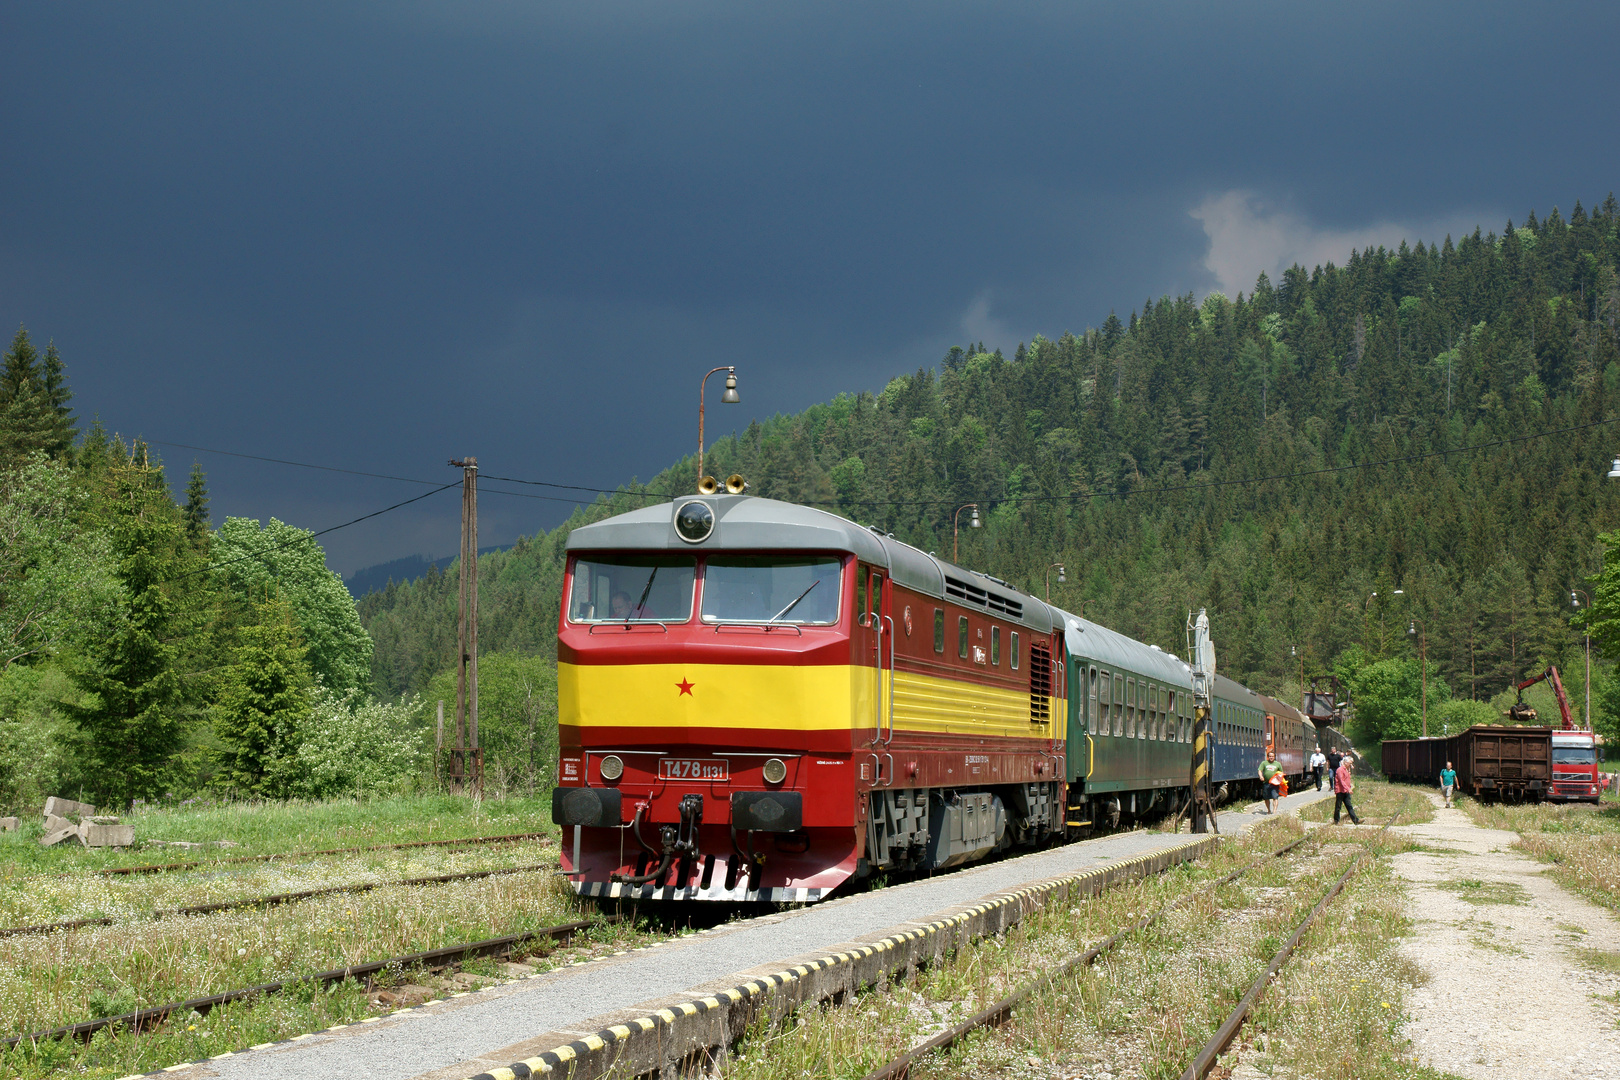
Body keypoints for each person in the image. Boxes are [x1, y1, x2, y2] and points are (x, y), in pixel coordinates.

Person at [1333, 756, 1362, 825]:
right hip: (1340, 790)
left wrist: (1348, 788)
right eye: (1350, 763)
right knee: (1338, 806)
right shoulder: (1340, 770)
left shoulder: (1347, 770)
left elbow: (1347, 780)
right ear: (1345, 763)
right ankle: (1336, 820)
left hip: (1345, 791)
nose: (1351, 765)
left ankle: (1355, 820)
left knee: (1349, 806)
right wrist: (1348, 789)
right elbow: (1341, 780)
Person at [1259, 749, 1283, 814]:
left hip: (1275, 784)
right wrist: (1261, 776)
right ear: (1268, 757)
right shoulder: (1264, 763)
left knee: (1275, 797)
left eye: (1272, 756)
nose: (1271, 757)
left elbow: (1281, 773)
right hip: (1266, 783)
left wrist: (1279, 779)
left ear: (1274, 757)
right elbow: (1260, 770)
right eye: (1270, 756)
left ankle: (1274, 811)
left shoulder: (1278, 764)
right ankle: (1269, 810)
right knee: (1266, 798)